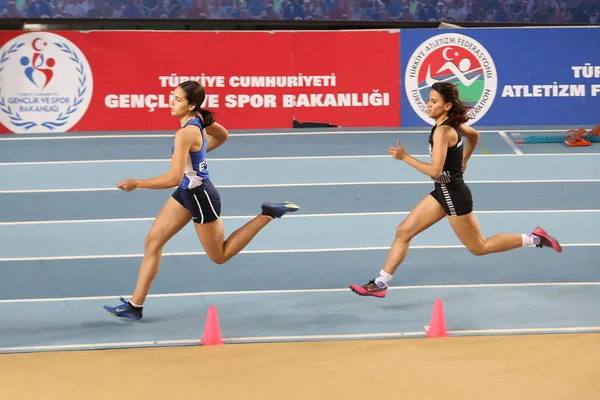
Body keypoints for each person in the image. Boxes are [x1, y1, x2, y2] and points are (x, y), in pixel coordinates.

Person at [103, 80, 299, 320]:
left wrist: (137, 183)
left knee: (220, 256)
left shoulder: (185, 133)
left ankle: (267, 214)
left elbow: (174, 177)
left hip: (200, 197)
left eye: (177, 99)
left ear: (191, 104)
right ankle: (135, 306)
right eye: (172, 97)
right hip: (186, 192)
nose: (171, 102)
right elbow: (223, 136)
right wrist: (199, 157)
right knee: (152, 242)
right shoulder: (200, 120)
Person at [349, 82, 562, 298]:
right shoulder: (451, 126)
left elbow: (434, 170)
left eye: (434, 101)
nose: (428, 105)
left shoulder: (443, 132)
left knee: (479, 247)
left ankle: (535, 238)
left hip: (453, 195)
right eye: (428, 100)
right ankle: (380, 283)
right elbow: (475, 135)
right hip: (443, 192)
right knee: (403, 231)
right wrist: (465, 160)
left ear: (447, 106)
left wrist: (405, 157)